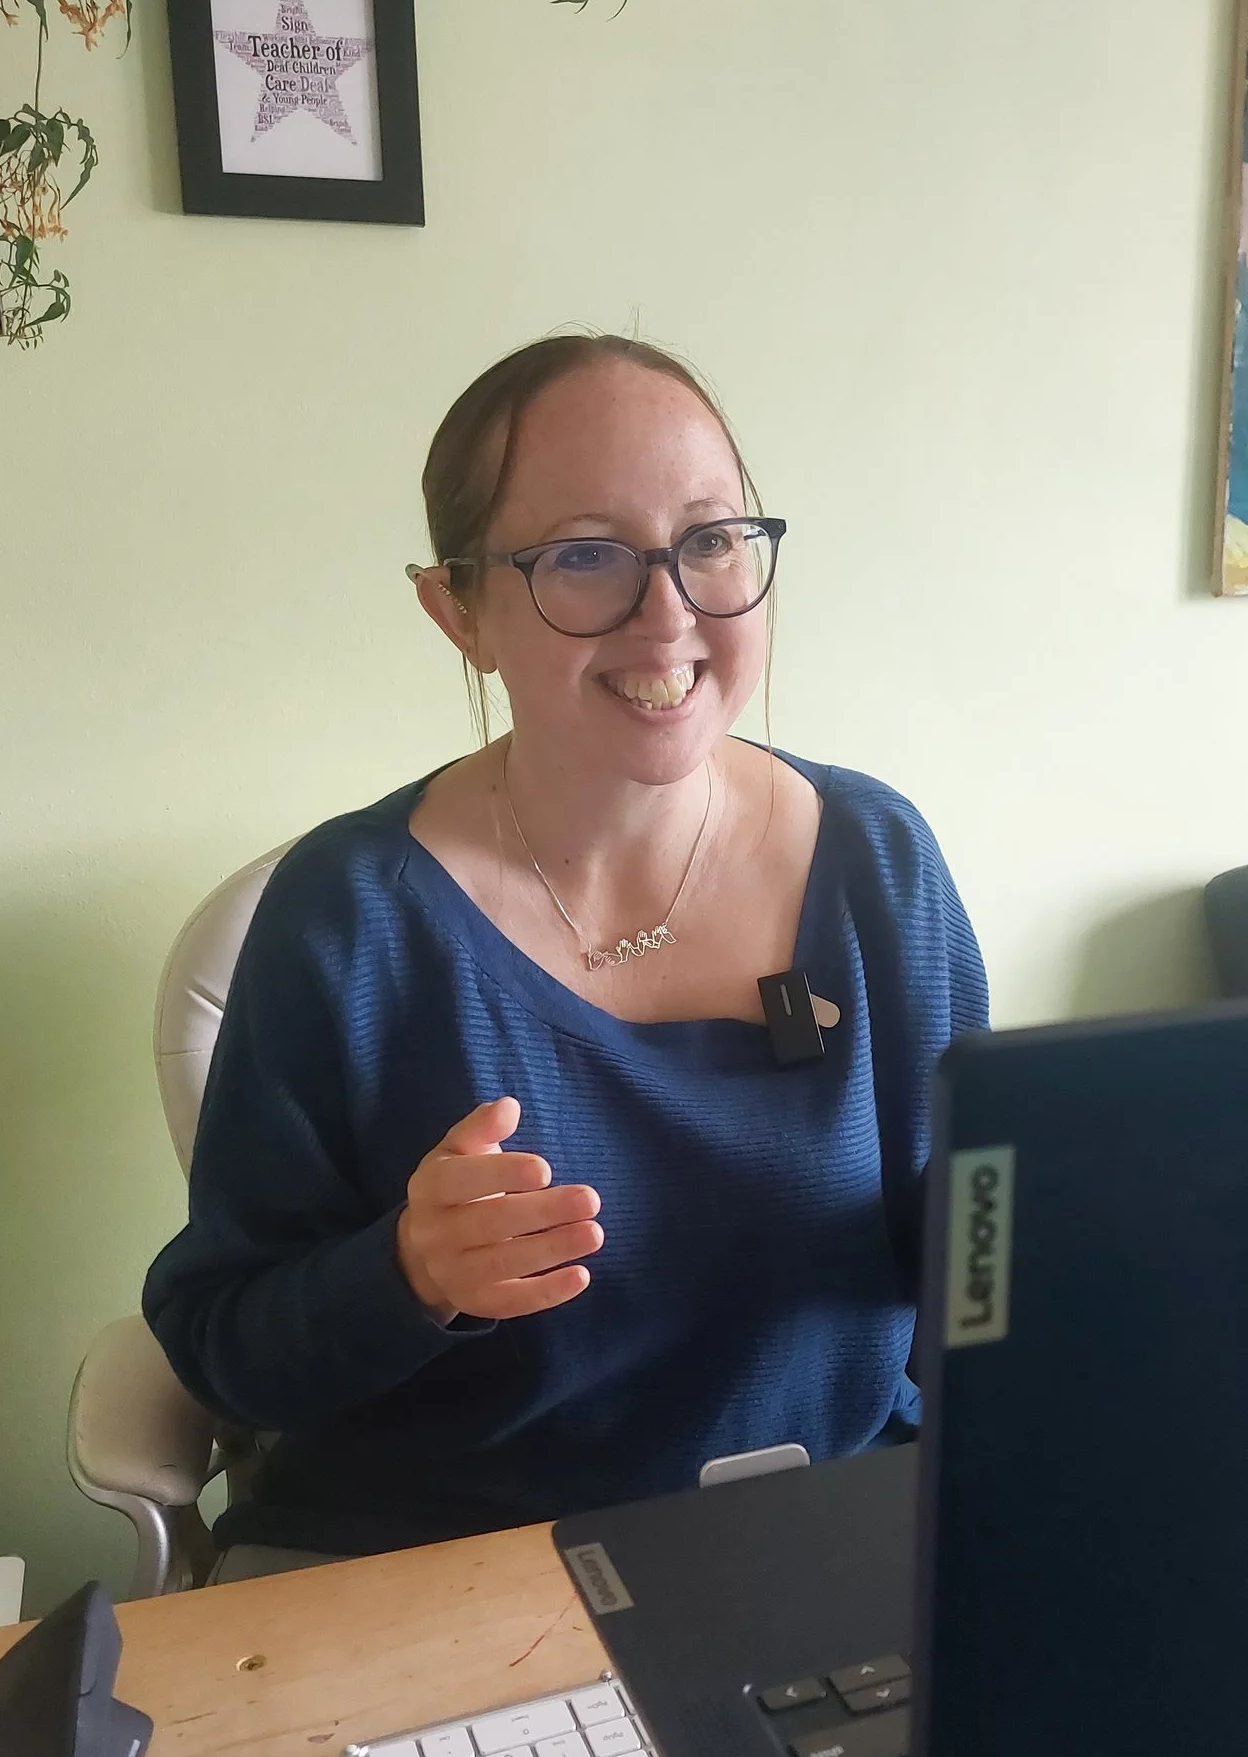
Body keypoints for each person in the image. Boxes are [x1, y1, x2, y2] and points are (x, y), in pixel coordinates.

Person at [143, 332, 987, 1559]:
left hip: (814, 1535)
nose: (667, 616)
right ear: (459, 611)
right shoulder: (351, 916)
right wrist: (408, 1273)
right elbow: (223, 1340)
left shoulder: (876, 861)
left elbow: (976, 1259)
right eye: (585, 558)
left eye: (707, 541)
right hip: (441, 1565)